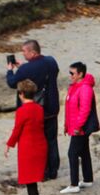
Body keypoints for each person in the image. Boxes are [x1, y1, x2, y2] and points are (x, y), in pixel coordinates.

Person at [6, 39, 61, 181]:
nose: (23, 54)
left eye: (24, 51)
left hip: (37, 110)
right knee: (52, 141)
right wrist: (24, 67)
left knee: (39, 142)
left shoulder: (26, 69)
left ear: (32, 52)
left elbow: (12, 83)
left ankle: (43, 172)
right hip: (52, 107)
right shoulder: (51, 61)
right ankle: (53, 171)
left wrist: (10, 70)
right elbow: (42, 70)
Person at [5, 79, 47, 195]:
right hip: (40, 146)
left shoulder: (22, 111)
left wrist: (9, 145)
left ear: (21, 94)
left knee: (30, 181)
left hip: (28, 148)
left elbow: (17, 131)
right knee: (32, 180)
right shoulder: (39, 109)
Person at [61, 62, 99, 194]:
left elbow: (85, 110)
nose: (70, 76)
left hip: (81, 127)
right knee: (83, 151)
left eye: (72, 73)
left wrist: (77, 127)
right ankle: (88, 180)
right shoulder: (76, 86)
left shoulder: (85, 88)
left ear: (80, 74)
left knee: (72, 153)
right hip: (78, 126)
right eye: (70, 73)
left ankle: (73, 184)